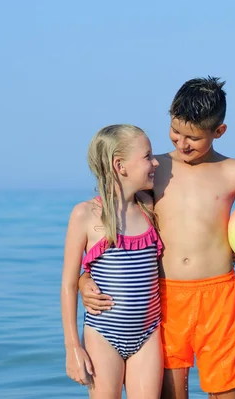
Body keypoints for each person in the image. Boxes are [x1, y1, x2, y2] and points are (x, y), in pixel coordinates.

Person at [79, 77, 235, 399]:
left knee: (226, 388)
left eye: (194, 138)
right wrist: (84, 277)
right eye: (176, 131)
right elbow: (112, 229)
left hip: (219, 295)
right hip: (164, 296)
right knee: (171, 390)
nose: (182, 143)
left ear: (219, 131)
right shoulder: (155, 168)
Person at [60, 124, 164, 399]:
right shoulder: (85, 215)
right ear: (120, 165)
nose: (156, 162)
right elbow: (69, 285)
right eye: (147, 156)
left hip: (148, 333)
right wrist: (73, 347)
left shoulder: (150, 207)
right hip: (103, 334)